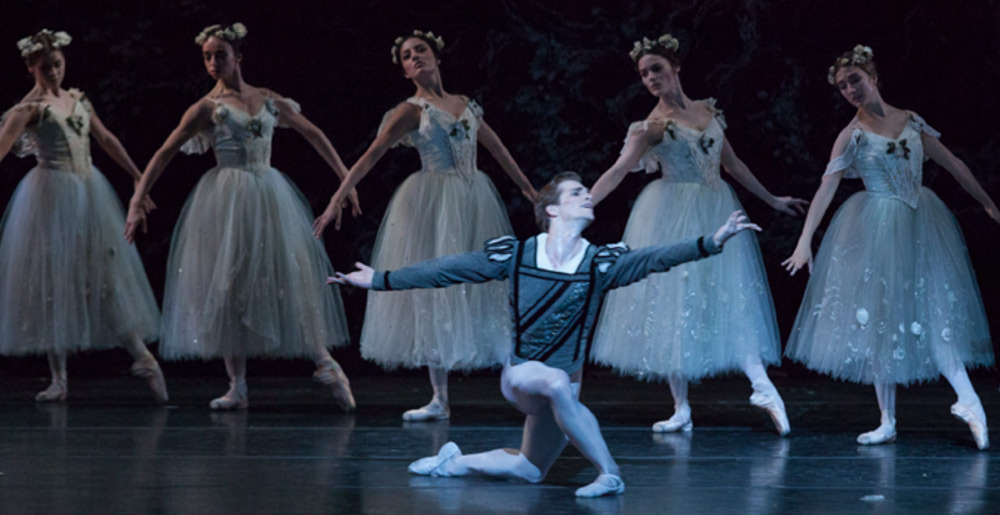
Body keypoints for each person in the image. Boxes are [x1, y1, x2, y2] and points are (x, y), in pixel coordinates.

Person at [331, 172, 761, 497]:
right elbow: (449, 268)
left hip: (563, 391)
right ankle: (610, 474)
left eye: (586, 191)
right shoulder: (518, 255)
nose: (588, 195)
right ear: (552, 209)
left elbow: (656, 258)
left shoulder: (600, 263)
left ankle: (453, 463)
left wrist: (712, 240)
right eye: (576, 193)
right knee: (555, 383)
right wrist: (382, 279)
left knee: (530, 470)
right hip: (521, 376)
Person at [124, 23, 356, 411]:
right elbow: (164, 151)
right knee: (229, 284)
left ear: (238, 57)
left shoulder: (268, 100)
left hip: (268, 194)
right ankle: (237, 385)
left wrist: (345, 179)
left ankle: (326, 362)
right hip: (224, 199)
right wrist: (137, 198)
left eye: (220, 55)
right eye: (207, 57)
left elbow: (314, 134)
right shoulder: (207, 108)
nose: (213, 63)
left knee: (288, 276)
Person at [313, 30, 537, 421]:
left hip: (473, 199)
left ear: (437, 56)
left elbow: (497, 149)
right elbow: (370, 156)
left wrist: (531, 193)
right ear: (404, 71)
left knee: (487, 285)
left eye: (420, 50)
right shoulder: (411, 111)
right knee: (436, 288)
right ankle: (439, 397)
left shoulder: (465, 105)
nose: (414, 57)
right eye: (406, 55)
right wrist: (337, 198)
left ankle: (515, 382)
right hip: (432, 202)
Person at [588, 34, 806, 435]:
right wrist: (585, 204)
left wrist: (772, 200)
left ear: (675, 67)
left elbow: (733, 164)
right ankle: (680, 406)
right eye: (643, 74)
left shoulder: (708, 110)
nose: (651, 78)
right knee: (675, 302)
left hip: (716, 207)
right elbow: (619, 170)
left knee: (731, 297)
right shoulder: (650, 127)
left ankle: (762, 385)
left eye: (656, 68)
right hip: (669, 214)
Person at [783, 45, 996, 449]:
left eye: (855, 80)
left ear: (873, 78)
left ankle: (969, 400)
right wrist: (804, 241)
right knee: (880, 320)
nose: (849, 89)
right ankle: (887, 420)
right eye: (843, 86)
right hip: (874, 227)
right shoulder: (851, 135)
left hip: (921, 222)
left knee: (937, 308)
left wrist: (987, 201)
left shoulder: (912, 122)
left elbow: (955, 165)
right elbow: (827, 186)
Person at [0, 29, 167, 402]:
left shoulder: (79, 100)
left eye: (58, 65)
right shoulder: (28, 111)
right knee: (53, 283)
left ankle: (142, 357)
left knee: (107, 275)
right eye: (45, 68)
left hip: (90, 193)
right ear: (31, 68)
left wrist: (138, 176)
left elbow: (106, 140)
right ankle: (58, 377)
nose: (54, 72)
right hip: (50, 196)